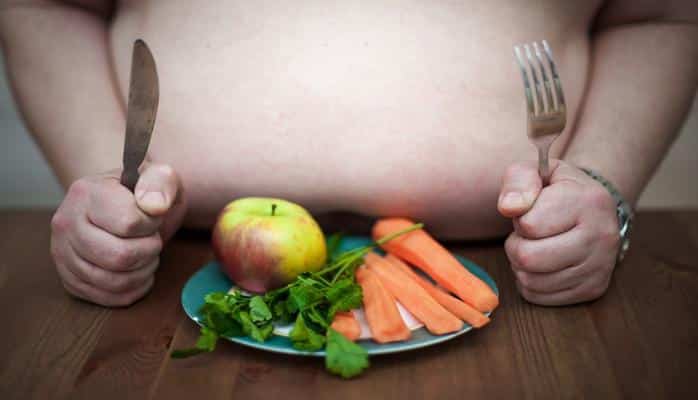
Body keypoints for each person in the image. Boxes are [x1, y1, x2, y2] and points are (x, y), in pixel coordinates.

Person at [1, 1, 696, 307]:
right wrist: (106, 193)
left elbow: (660, 14)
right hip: (173, 286)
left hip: (516, 284)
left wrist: (602, 188)